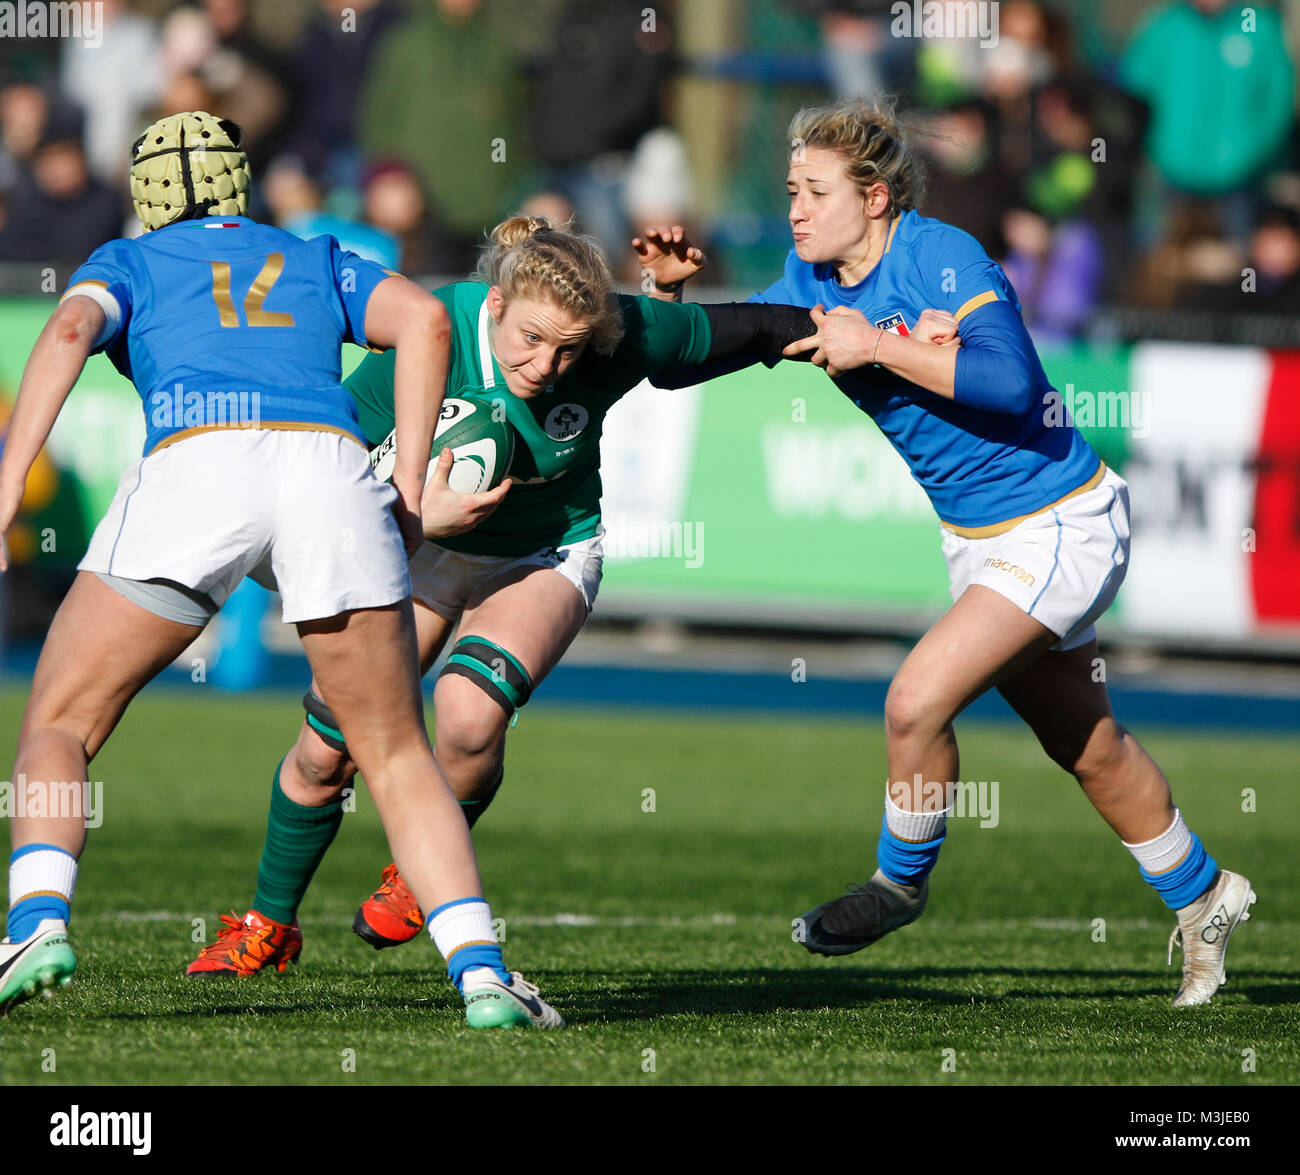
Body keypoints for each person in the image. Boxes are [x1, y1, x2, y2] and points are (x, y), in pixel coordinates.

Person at [659, 98, 1255, 1008]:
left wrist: (885, 345)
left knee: (914, 699)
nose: (796, 209)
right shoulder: (806, 277)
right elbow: (694, 359)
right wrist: (668, 302)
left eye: (815, 191)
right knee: (1086, 746)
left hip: (1061, 520)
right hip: (977, 542)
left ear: (878, 195)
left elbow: (1012, 384)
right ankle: (1204, 893)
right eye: (789, 191)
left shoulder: (939, 256)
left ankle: (898, 884)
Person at [0, 111, 561, 1030]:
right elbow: (424, 319)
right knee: (391, 749)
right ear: (239, 183)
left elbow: (67, 331)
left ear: (146, 199)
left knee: (59, 720)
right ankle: (483, 973)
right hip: (327, 468)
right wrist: (409, 483)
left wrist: (9, 480)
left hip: (197, 461)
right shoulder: (313, 252)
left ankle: (37, 921)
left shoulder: (130, 260)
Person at [185, 216, 817, 973]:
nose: (547, 365)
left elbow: (755, 327)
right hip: (421, 549)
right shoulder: (428, 338)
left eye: (568, 350)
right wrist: (409, 512)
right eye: (530, 340)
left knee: (467, 715)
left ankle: (424, 864)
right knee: (327, 748)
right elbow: (330, 473)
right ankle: (268, 923)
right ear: (492, 307)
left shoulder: (623, 330)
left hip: (543, 549)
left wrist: (869, 339)